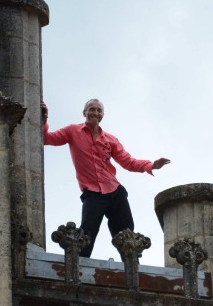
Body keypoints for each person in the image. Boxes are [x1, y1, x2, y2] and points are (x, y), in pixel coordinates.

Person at [42, 98, 170, 257]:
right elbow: (46, 138)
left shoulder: (110, 139)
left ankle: (132, 271)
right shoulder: (72, 131)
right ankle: (79, 270)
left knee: (126, 235)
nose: (95, 112)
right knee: (86, 235)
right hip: (93, 193)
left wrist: (151, 165)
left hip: (115, 191)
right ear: (84, 112)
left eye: (99, 110)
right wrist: (44, 118)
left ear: (103, 115)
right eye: (91, 109)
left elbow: (128, 162)